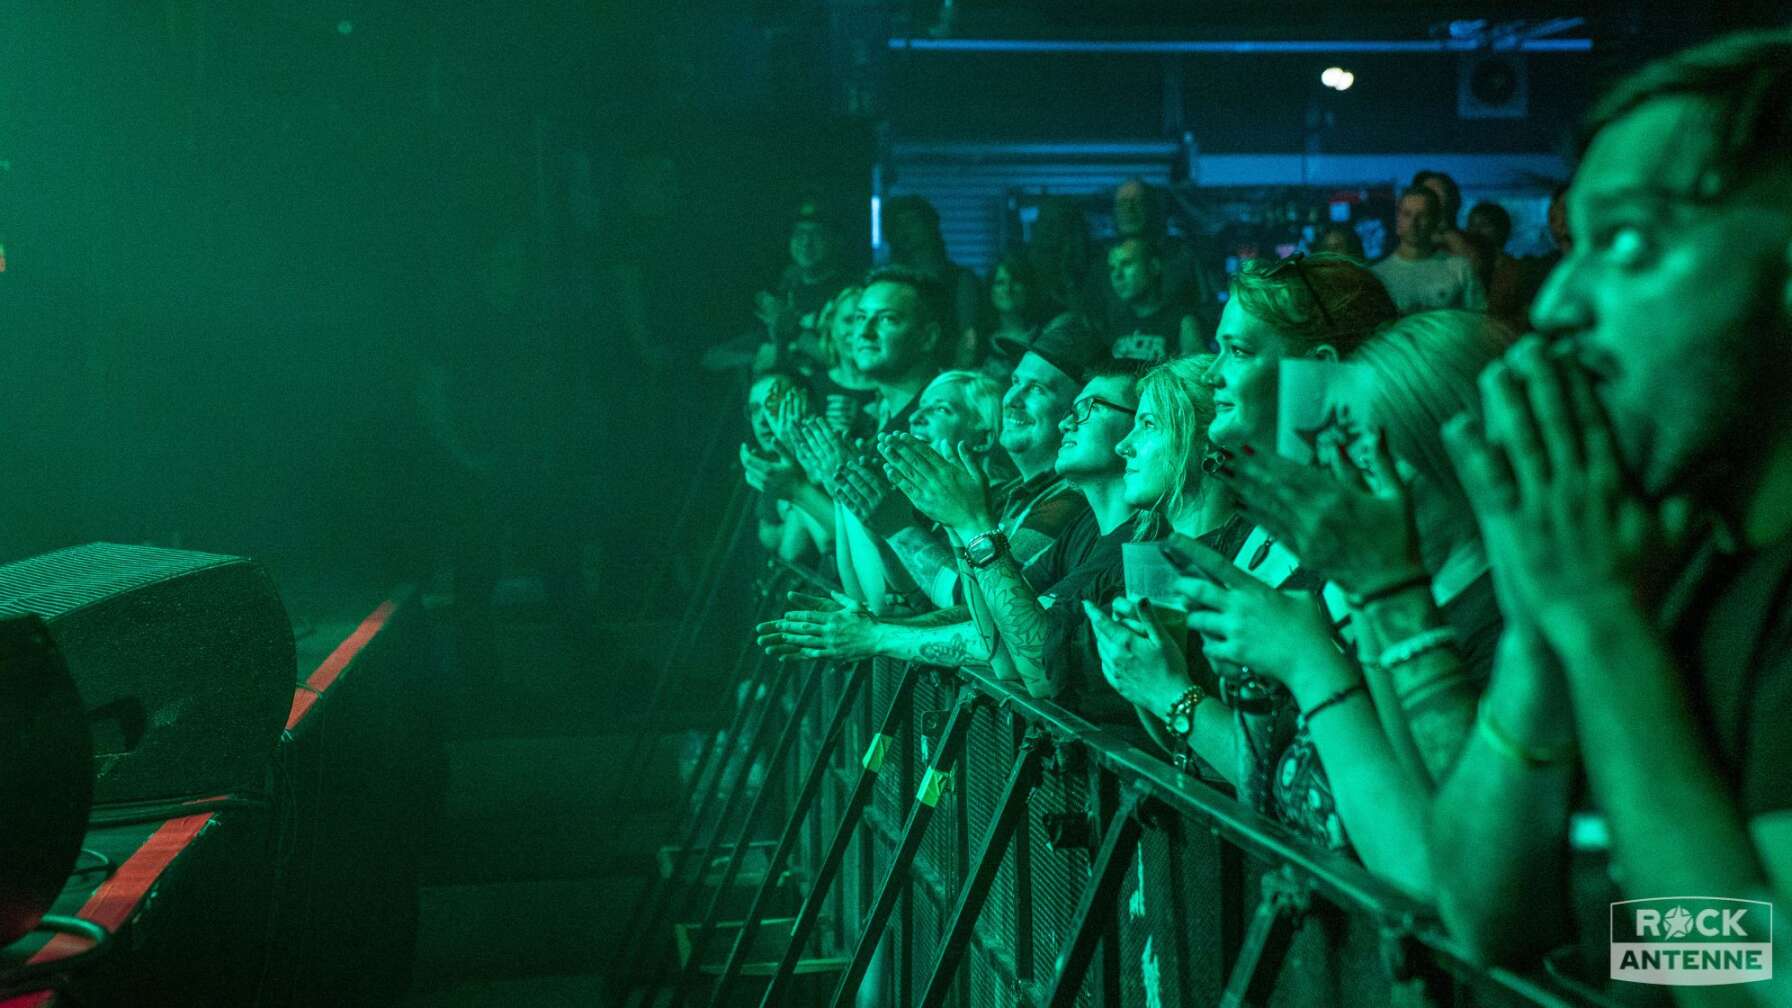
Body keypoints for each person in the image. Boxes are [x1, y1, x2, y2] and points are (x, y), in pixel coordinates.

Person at [1429, 30, 1792, 994]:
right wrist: (1542, 630)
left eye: (1628, 242)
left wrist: (1600, 632)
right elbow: (1487, 916)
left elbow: (1760, 982)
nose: (1559, 307)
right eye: (1569, 247)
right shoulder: (1667, 557)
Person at [1102, 311, 1513, 897]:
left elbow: (1437, 877)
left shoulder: (1508, 624)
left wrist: (1302, 660)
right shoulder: (1396, 594)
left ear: (1437, 458)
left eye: (1356, 456)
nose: (1332, 480)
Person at [881, 195, 982, 368]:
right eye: (898, 224)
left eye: (911, 221)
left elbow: (969, 335)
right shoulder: (887, 280)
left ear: (929, 225)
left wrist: (954, 377)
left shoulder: (959, 279)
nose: (904, 230)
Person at [1372, 186, 1487, 314]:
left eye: (1422, 215)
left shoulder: (1460, 269)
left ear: (1436, 220)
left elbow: (1479, 319)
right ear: (1398, 219)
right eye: (1407, 214)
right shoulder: (1378, 275)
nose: (1413, 223)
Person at [1104, 238, 1202, 363]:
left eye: (1126, 264)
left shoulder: (1183, 321)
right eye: (1112, 268)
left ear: (1153, 266)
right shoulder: (1115, 326)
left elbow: (1196, 375)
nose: (1117, 274)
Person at [982, 251, 1045, 379]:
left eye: (1015, 281)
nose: (1007, 289)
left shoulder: (1044, 338)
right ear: (990, 289)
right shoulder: (979, 340)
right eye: (1000, 282)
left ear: (1028, 287)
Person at [1412, 169, 1476, 261]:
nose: (1433, 196)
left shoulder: (1476, 242)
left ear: (1451, 198)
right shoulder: (1407, 242)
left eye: (1438, 191)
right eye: (1427, 191)